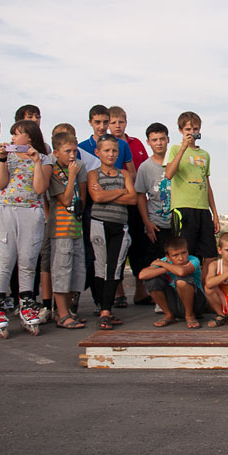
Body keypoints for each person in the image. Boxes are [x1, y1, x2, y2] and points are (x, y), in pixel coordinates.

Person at [0, 120, 51, 337]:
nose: (13, 139)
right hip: (7, 210)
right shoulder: (8, 157)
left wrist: (35, 162)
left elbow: (40, 188)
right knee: (4, 260)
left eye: (17, 134)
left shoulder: (44, 159)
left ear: (30, 137)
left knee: (28, 261)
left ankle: (27, 303)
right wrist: (2, 159)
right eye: (13, 135)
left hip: (31, 212)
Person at [88, 134, 136, 331]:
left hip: (119, 225)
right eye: (107, 150)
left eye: (114, 151)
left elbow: (132, 199)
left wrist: (108, 195)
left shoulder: (124, 174)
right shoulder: (93, 174)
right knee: (101, 267)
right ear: (98, 152)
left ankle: (107, 310)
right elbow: (96, 197)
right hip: (100, 223)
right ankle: (104, 309)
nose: (111, 154)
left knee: (115, 268)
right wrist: (120, 192)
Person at [165, 111, 220, 269]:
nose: (192, 132)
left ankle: (203, 289)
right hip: (183, 208)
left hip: (202, 209)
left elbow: (207, 184)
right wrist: (183, 148)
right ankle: (186, 289)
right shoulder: (175, 149)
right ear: (181, 130)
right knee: (185, 254)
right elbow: (169, 174)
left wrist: (215, 213)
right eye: (188, 129)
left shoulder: (204, 154)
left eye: (195, 129)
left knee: (210, 255)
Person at [109, 105, 150, 306]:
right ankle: (118, 293)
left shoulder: (136, 143)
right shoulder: (106, 145)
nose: (117, 125)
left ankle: (140, 292)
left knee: (139, 248)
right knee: (117, 249)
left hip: (137, 201)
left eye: (121, 121)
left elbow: (143, 172)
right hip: (116, 202)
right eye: (113, 122)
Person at [47, 130, 88, 329]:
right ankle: (61, 313)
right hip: (60, 229)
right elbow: (64, 198)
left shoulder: (79, 167)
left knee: (76, 271)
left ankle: (69, 310)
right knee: (61, 271)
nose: (72, 155)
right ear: (56, 153)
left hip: (76, 227)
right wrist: (71, 176)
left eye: (74, 151)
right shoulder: (54, 171)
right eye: (67, 151)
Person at [139, 236, 207, 329]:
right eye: (175, 255)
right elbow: (142, 275)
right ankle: (168, 315)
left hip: (196, 304)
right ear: (168, 257)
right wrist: (166, 268)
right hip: (174, 303)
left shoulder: (194, 260)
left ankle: (190, 316)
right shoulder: (166, 261)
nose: (181, 258)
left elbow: (182, 272)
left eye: (184, 253)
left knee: (181, 280)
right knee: (152, 281)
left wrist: (163, 264)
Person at [136, 123, 175, 264]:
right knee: (157, 263)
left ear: (168, 139)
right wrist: (147, 222)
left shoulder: (176, 162)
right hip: (157, 223)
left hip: (177, 222)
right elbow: (140, 195)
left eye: (162, 139)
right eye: (154, 140)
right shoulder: (145, 168)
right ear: (148, 142)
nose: (159, 143)